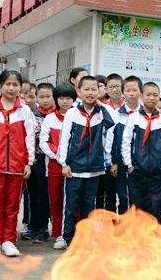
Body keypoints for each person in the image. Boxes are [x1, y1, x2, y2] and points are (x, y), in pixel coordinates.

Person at [0, 70, 35, 257]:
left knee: (12, 206)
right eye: (8, 84)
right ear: (0, 86)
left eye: (15, 85)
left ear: (20, 87)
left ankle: (9, 240)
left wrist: (29, 162)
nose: (11, 88)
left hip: (17, 167)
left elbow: (29, 138)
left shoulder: (24, 110)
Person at [54, 76, 114, 250]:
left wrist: (100, 104)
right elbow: (64, 139)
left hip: (94, 167)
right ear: (79, 92)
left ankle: (87, 238)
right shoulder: (73, 113)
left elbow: (112, 123)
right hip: (75, 167)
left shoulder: (102, 112)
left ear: (99, 91)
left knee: (90, 204)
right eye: (86, 89)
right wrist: (64, 163)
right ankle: (66, 236)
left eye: (94, 89)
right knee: (71, 204)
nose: (90, 93)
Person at [122, 82, 161, 224]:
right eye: (148, 94)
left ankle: (153, 239)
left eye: (155, 95)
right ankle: (136, 239)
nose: (152, 98)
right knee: (137, 207)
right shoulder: (134, 117)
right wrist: (129, 165)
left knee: (155, 207)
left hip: (157, 172)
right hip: (137, 171)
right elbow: (126, 142)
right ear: (142, 96)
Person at [39, 83, 75, 244]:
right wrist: (58, 156)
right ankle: (58, 232)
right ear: (56, 100)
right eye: (61, 98)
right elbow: (43, 142)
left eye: (68, 98)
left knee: (73, 200)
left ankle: (73, 233)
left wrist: (69, 158)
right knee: (56, 199)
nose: (65, 101)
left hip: (75, 165)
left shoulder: (78, 116)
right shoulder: (50, 118)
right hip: (54, 165)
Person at [23, 82, 54, 243]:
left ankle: (43, 229)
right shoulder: (31, 114)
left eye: (48, 96)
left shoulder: (57, 115)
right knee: (31, 195)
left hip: (48, 160)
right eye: (41, 97)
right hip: (32, 159)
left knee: (44, 195)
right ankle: (32, 227)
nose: (44, 100)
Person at [107, 76, 142, 214]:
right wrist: (113, 162)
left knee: (139, 197)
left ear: (141, 92)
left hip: (141, 163)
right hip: (121, 163)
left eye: (135, 90)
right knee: (123, 196)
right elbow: (112, 141)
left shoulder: (145, 114)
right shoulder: (116, 115)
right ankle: (123, 230)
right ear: (123, 93)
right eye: (128, 90)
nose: (131, 93)